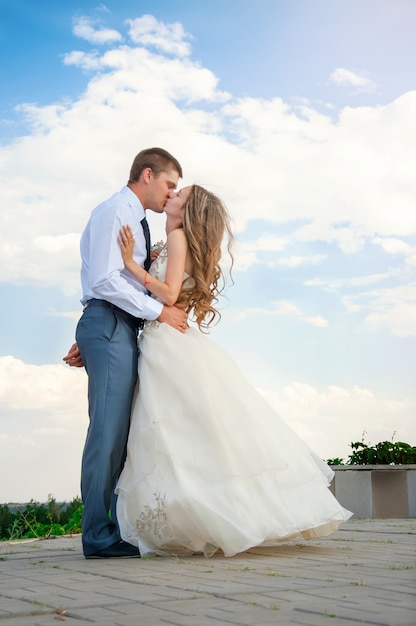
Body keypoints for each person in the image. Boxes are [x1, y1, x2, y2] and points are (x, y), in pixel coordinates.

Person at [114, 184, 352, 558]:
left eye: (179, 195)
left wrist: (130, 264)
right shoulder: (176, 242)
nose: (171, 196)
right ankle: (210, 515)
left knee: (174, 432)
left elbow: (170, 295)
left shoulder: (176, 238)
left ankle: (198, 519)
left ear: (187, 210)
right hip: (174, 341)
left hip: (166, 343)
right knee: (194, 433)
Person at [64, 148, 188, 559]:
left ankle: (111, 528)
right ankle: (98, 536)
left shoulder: (134, 220)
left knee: (120, 434)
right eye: (170, 184)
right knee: (107, 432)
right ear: (148, 174)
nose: (171, 194)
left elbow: (120, 280)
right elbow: (102, 280)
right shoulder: (115, 211)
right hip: (110, 322)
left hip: (114, 325)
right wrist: (160, 312)